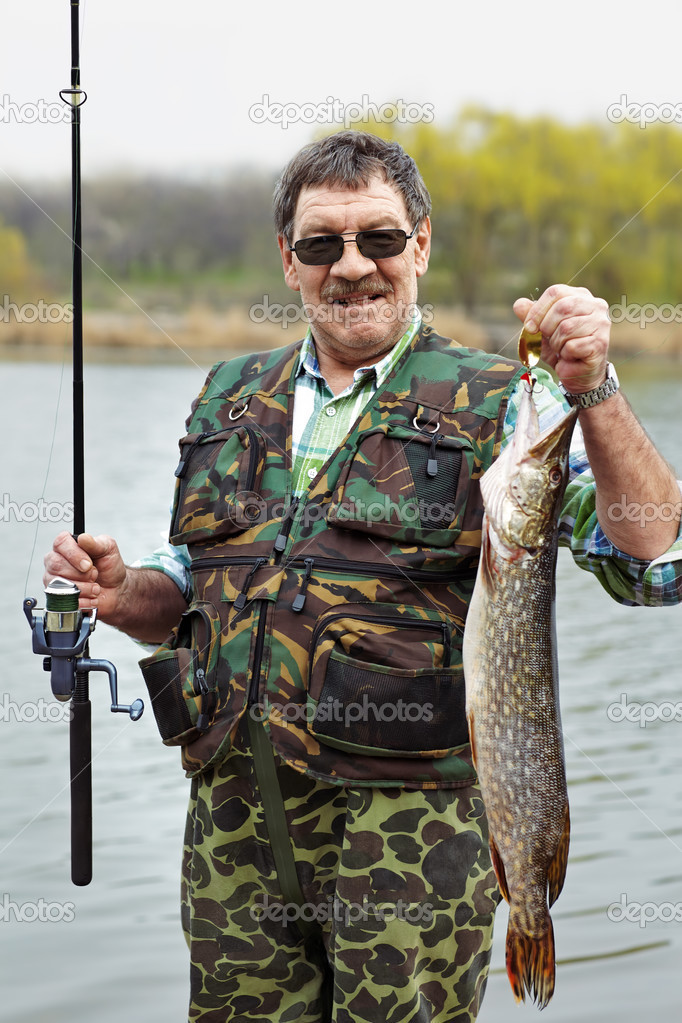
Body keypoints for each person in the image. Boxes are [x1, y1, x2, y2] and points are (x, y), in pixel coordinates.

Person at [45, 131, 682, 1023]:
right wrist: (120, 596)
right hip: (237, 832)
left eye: (379, 238)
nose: (353, 266)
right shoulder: (231, 393)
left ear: (419, 245)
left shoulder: (504, 404)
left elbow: (656, 567)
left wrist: (597, 389)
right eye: (322, 244)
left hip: (413, 848)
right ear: (289, 259)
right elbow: (194, 583)